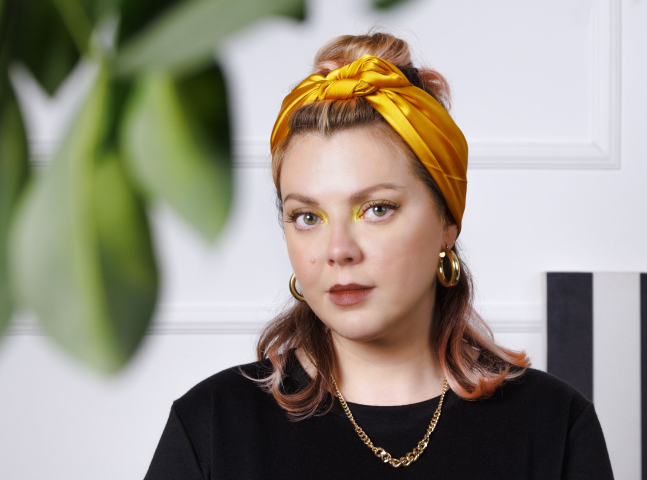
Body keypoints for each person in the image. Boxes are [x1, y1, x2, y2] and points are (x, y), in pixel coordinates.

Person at [144, 32, 614, 479]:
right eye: (307, 216)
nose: (338, 251)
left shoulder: (555, 426)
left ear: (446, 221)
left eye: (376, 209)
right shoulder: (211, 426)